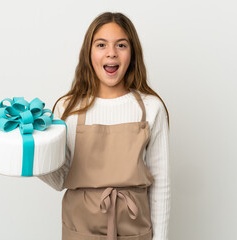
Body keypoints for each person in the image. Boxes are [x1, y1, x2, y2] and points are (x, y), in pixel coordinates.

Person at [38, 11, 170, 240]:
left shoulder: (151, 108)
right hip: (79, 230)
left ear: (133, 53)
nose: (111, 53)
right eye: (101, 45)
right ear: (88, 53)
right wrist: (32, 152)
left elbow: (162, 184)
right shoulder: (67, 108)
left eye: (121, 45)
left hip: (135, 231)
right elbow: (60, 179)